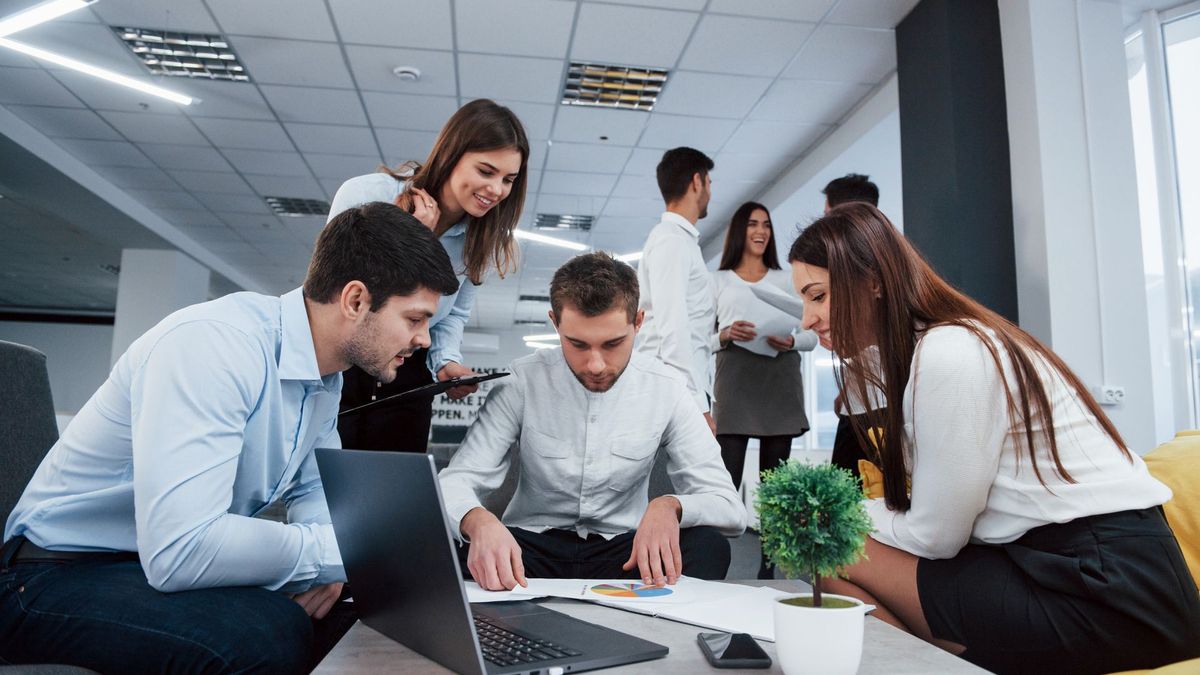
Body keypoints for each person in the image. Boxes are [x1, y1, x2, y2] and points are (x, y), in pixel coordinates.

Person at [0, 203, 460, 673]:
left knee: (352, 617)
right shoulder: (215, 345)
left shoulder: (326, 378)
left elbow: (315, 490)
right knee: (264, 636)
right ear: (356, 300)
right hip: (50, 575)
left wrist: (333, 567)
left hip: (142, 567)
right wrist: (337, 554)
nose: (425, 339)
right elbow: (182, 550)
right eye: (415, 318)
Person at [788, 203, 1200, 674]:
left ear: (874, 282)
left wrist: (835, 512)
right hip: (1048, 562)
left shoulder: (950, 351)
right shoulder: (938, 346)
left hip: (1111, 591)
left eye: (818, 296)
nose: (806, 320)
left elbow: (935, 536)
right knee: (833, 549)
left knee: (828, 543)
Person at [439, 252, 746, 592]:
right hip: (529, 551)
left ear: (638, 322)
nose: (596, 365)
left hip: (626, 554)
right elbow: (455, 481)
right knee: (447, 543)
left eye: (613, 344)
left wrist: (671, 506)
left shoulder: (669, 389)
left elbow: (729, 507)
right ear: (555, 323)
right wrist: (477, 521)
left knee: (708, 545)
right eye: (578, 344)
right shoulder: (521, 382)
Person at [328, 98, 529, 452]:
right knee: (322, 475)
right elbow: (335, 291)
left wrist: (446, 361)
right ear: (451, 155)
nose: (497, 190)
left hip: (407, 370)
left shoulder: (479, 238)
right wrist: (411, 238)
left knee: (398, 481)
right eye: (486, 172)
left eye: (508, 179)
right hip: (344, 361)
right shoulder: (368, 195)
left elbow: (453, 315)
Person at [711, 201, 817, 579]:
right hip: (735, 378)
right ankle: (715, 560)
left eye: (766, 225)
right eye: (753, 224)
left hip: (779, 376)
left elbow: (812, 333)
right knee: (725, 479)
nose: (761, 231)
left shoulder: (786, 279)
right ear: (739, 230)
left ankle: (768, 568)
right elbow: (699, 339)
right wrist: (725, 333)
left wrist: (793, 341)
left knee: (775, 484)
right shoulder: (717, 281)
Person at [635, 147, 718, 435]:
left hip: (679, 387)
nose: (710, 192)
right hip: (674, 392)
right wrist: (698, 407)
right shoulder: (671, 241)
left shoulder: (679, 241)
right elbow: (673, 328)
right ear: (697, 181)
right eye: (709, 183)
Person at [820, 172, 885, 480]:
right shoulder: (853, 259)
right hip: (858, 402)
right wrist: (847, 389)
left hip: (878, 406)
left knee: (854, 495)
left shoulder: (875, 264)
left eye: (827, 216)